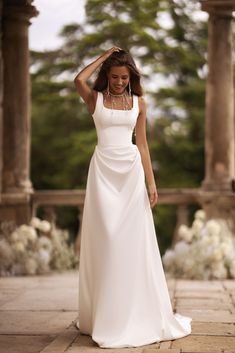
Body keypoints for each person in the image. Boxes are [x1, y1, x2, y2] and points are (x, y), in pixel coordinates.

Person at [74, 47, 192, 348]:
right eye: (113, 76)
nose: (118, 82)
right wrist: (102, 57)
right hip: (102, 173)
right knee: (107, 241)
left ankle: (131, 313)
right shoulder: (95, 99)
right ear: (107, 76)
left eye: (124, 77)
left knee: (129, 242)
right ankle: (103, 314)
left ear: (131, 77)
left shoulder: (140, 103)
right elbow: (78, 79)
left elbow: (142, 146)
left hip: (130, 174)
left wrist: (152, 184)